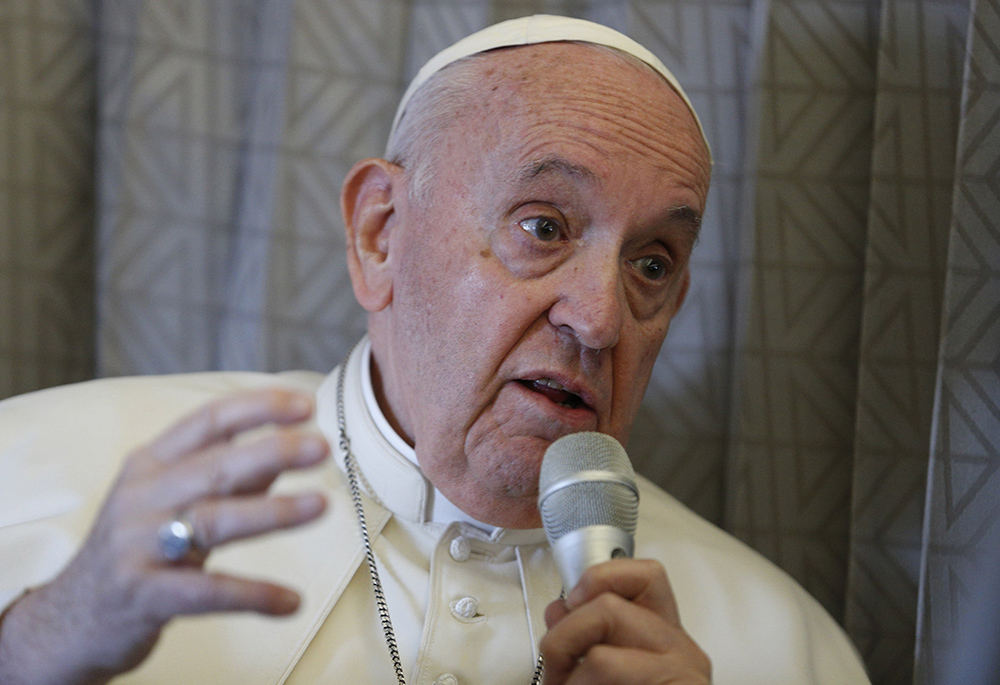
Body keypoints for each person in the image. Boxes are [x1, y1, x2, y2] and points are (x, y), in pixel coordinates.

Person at [0, 15, 870, 685]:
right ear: (380, 234)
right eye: (544, 226)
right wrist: (44, 640)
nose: (599, 319)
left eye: (652, 263)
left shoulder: (786, 645)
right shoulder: (39, 474)